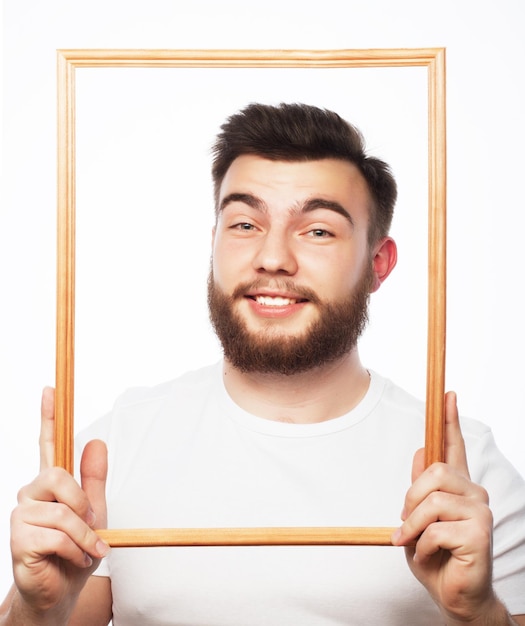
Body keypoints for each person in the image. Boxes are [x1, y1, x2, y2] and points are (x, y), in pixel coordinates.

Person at [1, 102, 525, 625]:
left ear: (377, 264)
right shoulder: (107, 453)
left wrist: (475, 610)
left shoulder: (463, 477)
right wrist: (36, 608)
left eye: (317, 230)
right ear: (214, 244)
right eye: (246, 223)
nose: (272, 257)